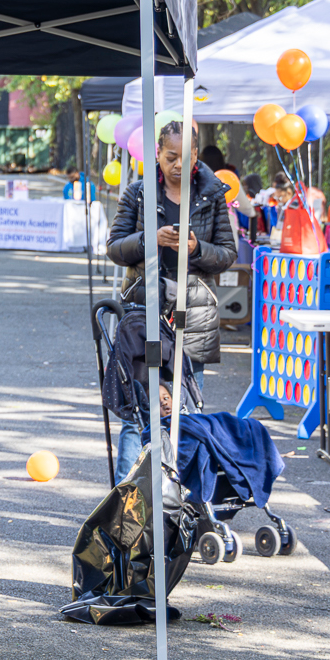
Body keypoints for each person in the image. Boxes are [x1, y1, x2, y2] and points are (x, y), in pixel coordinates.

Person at [105, 122, 235, 477]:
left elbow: (227, 254)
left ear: (196, 155)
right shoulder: (137, 193)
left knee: (189, 409)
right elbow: (115, 248)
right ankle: (128, 501)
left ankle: (185, 502)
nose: (177, 164)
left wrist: (196, 248)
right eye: (170, 156)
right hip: (144, 311)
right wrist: (151, 239)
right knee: (140, 413)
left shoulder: (212, 194)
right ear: (157, 155)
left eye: (185, 156)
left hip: (194, 314)